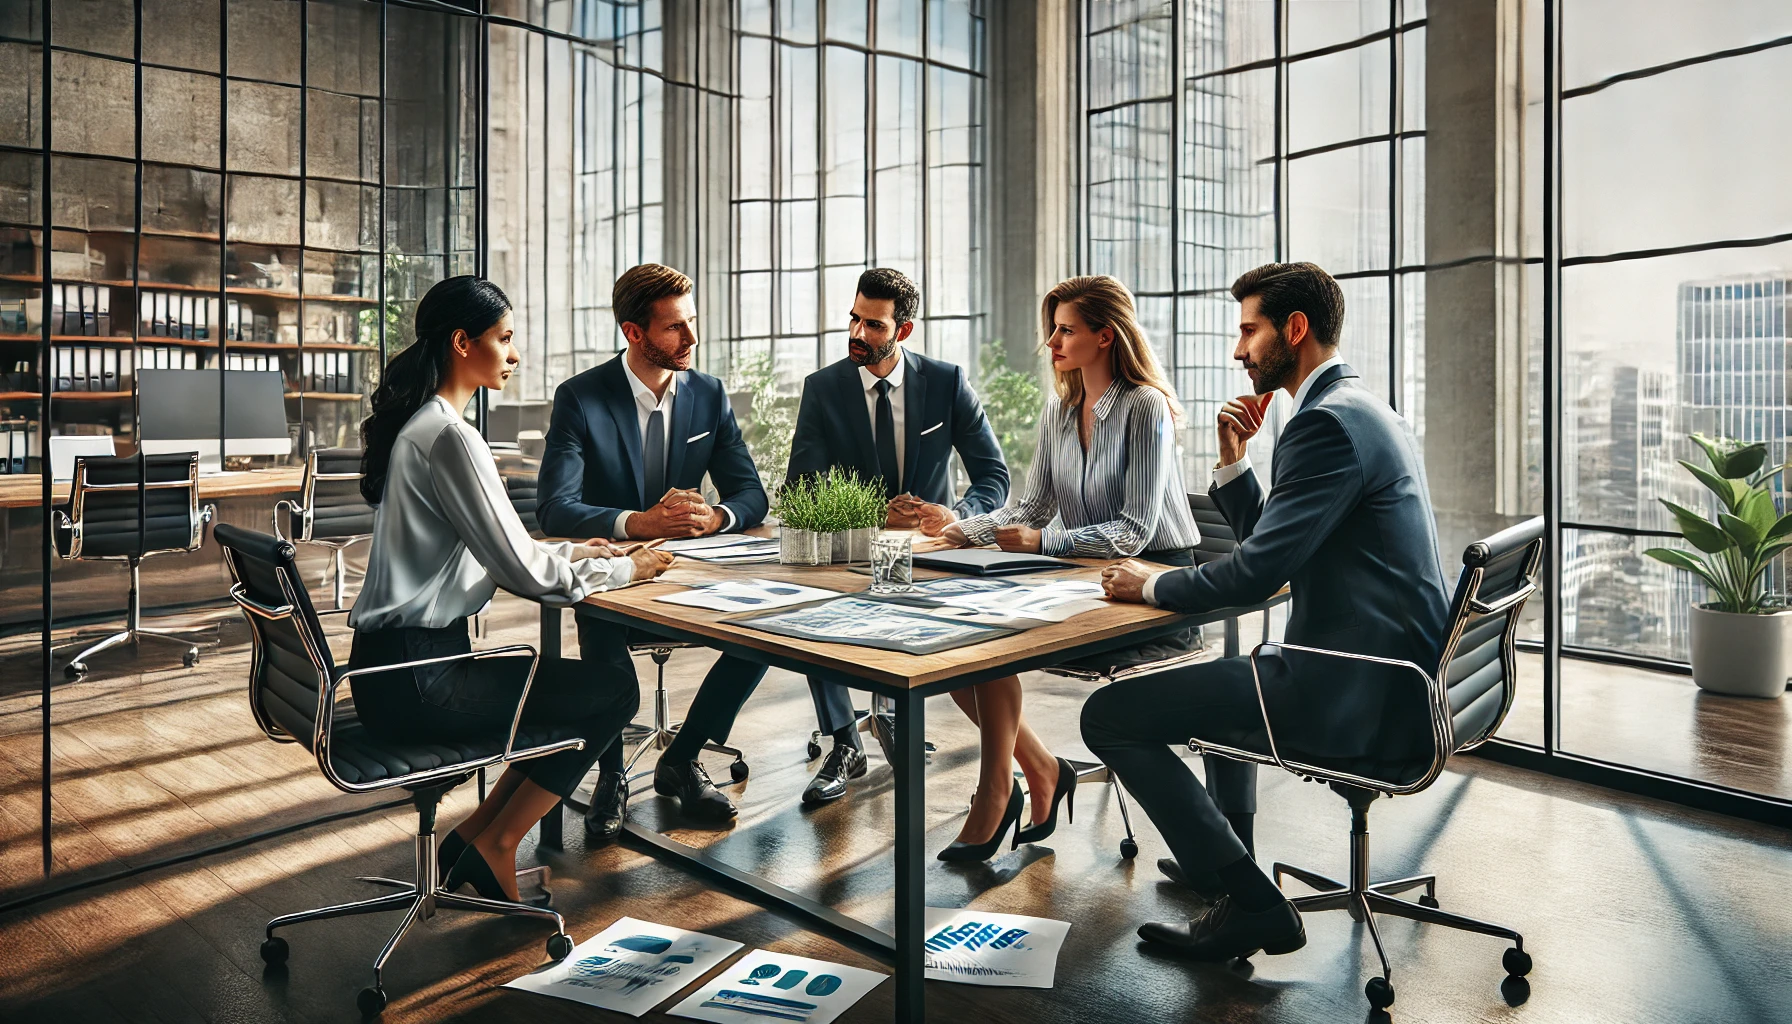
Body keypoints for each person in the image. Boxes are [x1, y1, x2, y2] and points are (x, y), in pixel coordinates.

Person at [1086, 261, 1450, 962]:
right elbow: (1283, 550)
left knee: (1109, 717)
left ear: (1296, 329)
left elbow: (1256, 576)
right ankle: (1228, 872)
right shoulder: (1362, 410)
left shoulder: (1324, 428)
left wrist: (1149, 586)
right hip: (1396, 676)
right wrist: (1232, 463)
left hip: (1354, 686)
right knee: (1227, 681)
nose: (1238, 349)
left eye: (1248, 330)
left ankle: (1250, 901)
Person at [347, 275, 676, 904]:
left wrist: (578, 551)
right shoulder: (450, 437)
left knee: (576, 691)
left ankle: (476, 837)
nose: (515, 354)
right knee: (610, 691)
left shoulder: (424, 428)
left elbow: (496, 551)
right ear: (462, 342)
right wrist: (627, 569)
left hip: (395, 669)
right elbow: (522, 574)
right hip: (423, 678)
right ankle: (496, 843)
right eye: (505, 338)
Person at [927, 275, 1203, 862]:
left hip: (1148, 586)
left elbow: (1133, 529)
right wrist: (960, 528)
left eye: (1065, 330)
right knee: (964, 647)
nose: (1051, 341)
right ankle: (1039, 770)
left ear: (1105, 337)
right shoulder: (1060, 409)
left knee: (992, 645)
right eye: (1051, 328)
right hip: (1073, 574)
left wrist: (1040, 541)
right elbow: (1031, 506)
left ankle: (996, 793)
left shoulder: (1145, 407)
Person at [537, 263, 770, 836]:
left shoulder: (709, 395)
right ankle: (611, 774)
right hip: (616, 574)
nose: (691, 339)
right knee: (603, 631)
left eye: (692, 323)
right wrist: (636, 523)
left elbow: (751, 495)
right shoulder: (581, 398)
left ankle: (683, 756)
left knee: (765, 635)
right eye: (674, 328)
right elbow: (554, 508)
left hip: (693, 575)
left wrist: (717, 515)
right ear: (634, 333)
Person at [784, 267, 1009, 805]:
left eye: (875, 325)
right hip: (854, 548)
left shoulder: (947, 382)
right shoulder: (823, 388)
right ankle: (844, 742)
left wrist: (951, 517)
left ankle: (896, 717)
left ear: (902, 331)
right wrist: (870, 515)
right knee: (817, 608)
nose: (859, 334)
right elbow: (800, 489)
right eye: (855, 319)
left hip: (930, 553)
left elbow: (993, 476)